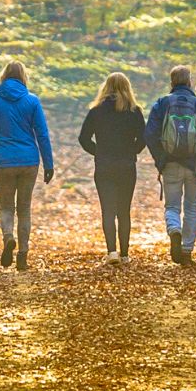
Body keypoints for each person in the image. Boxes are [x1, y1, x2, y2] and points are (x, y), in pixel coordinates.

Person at [0, 60, 54, 272]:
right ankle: (22, 255)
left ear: (4, 76)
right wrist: (49, 164)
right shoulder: (32, 101)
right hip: (29, 161)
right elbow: (42, 134)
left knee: (6, 206)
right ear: (23, 76)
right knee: (24, 209)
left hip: (3, 161)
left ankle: (8, 238)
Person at [144, 65, 196, 265]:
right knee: (191, 208)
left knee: (171, 206)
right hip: (194, 166)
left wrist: (161, 158)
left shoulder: (162, 103)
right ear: (189, 82)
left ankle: (174, 230)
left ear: (172, 83)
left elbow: (150, 134)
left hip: (170, 164)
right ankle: (186, 252)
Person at [78, 72, 146, 264]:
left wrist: (97, 152)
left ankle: (112, 252)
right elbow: (144, 138)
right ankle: (125, 255)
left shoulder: (96, 111)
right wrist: (132, 152)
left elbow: (83, 138)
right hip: (126, 166)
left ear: (105, 88)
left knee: (108, 210)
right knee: (124, 211)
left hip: (104, 166)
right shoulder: (134, 111)